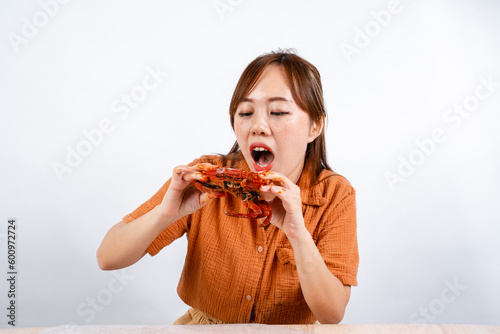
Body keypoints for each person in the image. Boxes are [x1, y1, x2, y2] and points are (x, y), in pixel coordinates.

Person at [97, 49, 358, 325]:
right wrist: (166, 213)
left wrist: (298, 234)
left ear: (314, 125)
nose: (258, 125)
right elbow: (107, 258)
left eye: (278, 111)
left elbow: (332, 314)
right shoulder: (206, 179)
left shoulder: (335, 194)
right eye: (246, 112)